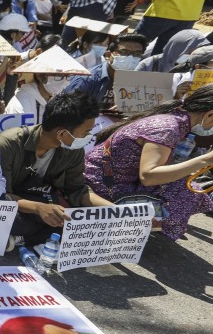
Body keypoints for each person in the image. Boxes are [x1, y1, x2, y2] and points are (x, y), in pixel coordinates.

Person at [84, 85, 213, 241]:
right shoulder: (168, 128)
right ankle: (136, 223)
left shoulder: (172, 118)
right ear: (210, 114)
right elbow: (149, 176)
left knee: (182, 183)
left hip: (108, 175)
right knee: (188, 192)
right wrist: (205, 159)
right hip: (103, 182)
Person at [0, 91, 113, 248]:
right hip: (16, 205)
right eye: (85, 132)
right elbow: (2, 196)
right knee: (4, 218)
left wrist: (116, 211)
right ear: (62, 133)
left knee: (76, 219)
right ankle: (29, 236)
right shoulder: (8, 144)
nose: (88, 136)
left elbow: (77, 190)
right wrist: (39, 209)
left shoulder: (73, 149)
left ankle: (22, 238)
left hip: (45, 202)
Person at [65, 32, 147, 108]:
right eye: (124, 52)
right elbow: (68, 110)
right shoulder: (86, 80)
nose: (130, 57)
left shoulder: (141, 83)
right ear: (109, 54)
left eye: (137, 54)